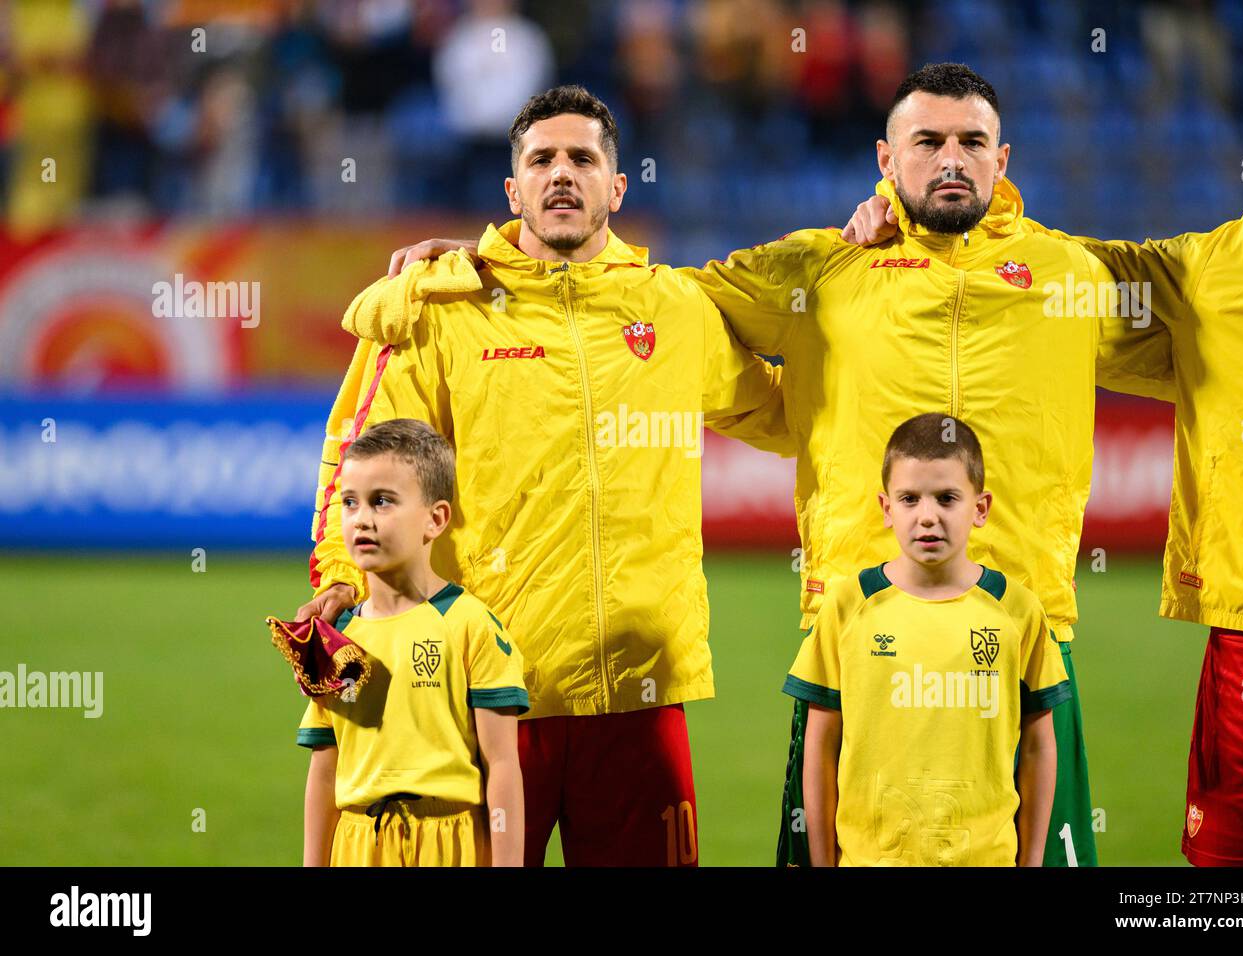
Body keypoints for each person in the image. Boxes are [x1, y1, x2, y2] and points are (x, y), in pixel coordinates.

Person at [372, 64, 1171, 867]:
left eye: (973, 142)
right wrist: (506, 266)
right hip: (860, 628)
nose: (951, 159)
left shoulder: (1075, 278)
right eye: (927, 141)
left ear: (1005, 160)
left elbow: (1213, 315)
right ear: (886, 162)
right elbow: (648, 303)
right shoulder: (818, 272)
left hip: (1026, 628)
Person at [299, 85, 791, 867]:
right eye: (542, 160)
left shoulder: (675, 310)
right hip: (484, 689)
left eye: (583, 159)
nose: (562, 174)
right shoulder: (445, 309)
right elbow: (363, 455)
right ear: (513, 188)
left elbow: (790, 415)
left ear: (617, 186)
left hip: (638, 687)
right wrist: (339, 578)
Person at [843, 77, 1243, 868]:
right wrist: (904, 215)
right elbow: (1022, 264)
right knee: (1233, 875)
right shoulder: (1208, 276)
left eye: (968, 145)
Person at [790, 414, 1066, 866]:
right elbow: (820, 743)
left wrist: (1031, 861)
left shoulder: (1019, 611)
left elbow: (1038, 744)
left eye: (947, 498)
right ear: (886, 508)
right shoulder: (846, 606)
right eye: (910, 499)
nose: (927, 516)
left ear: (980, 508)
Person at [299, 418, 527, 867]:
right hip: (358, 847)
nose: (362, 519)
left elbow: (501, 766)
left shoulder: (470, 624)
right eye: (350, 502)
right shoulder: (335, 640)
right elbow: (324, 773)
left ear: (435, 519)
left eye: (382, 502)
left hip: (450, 843)